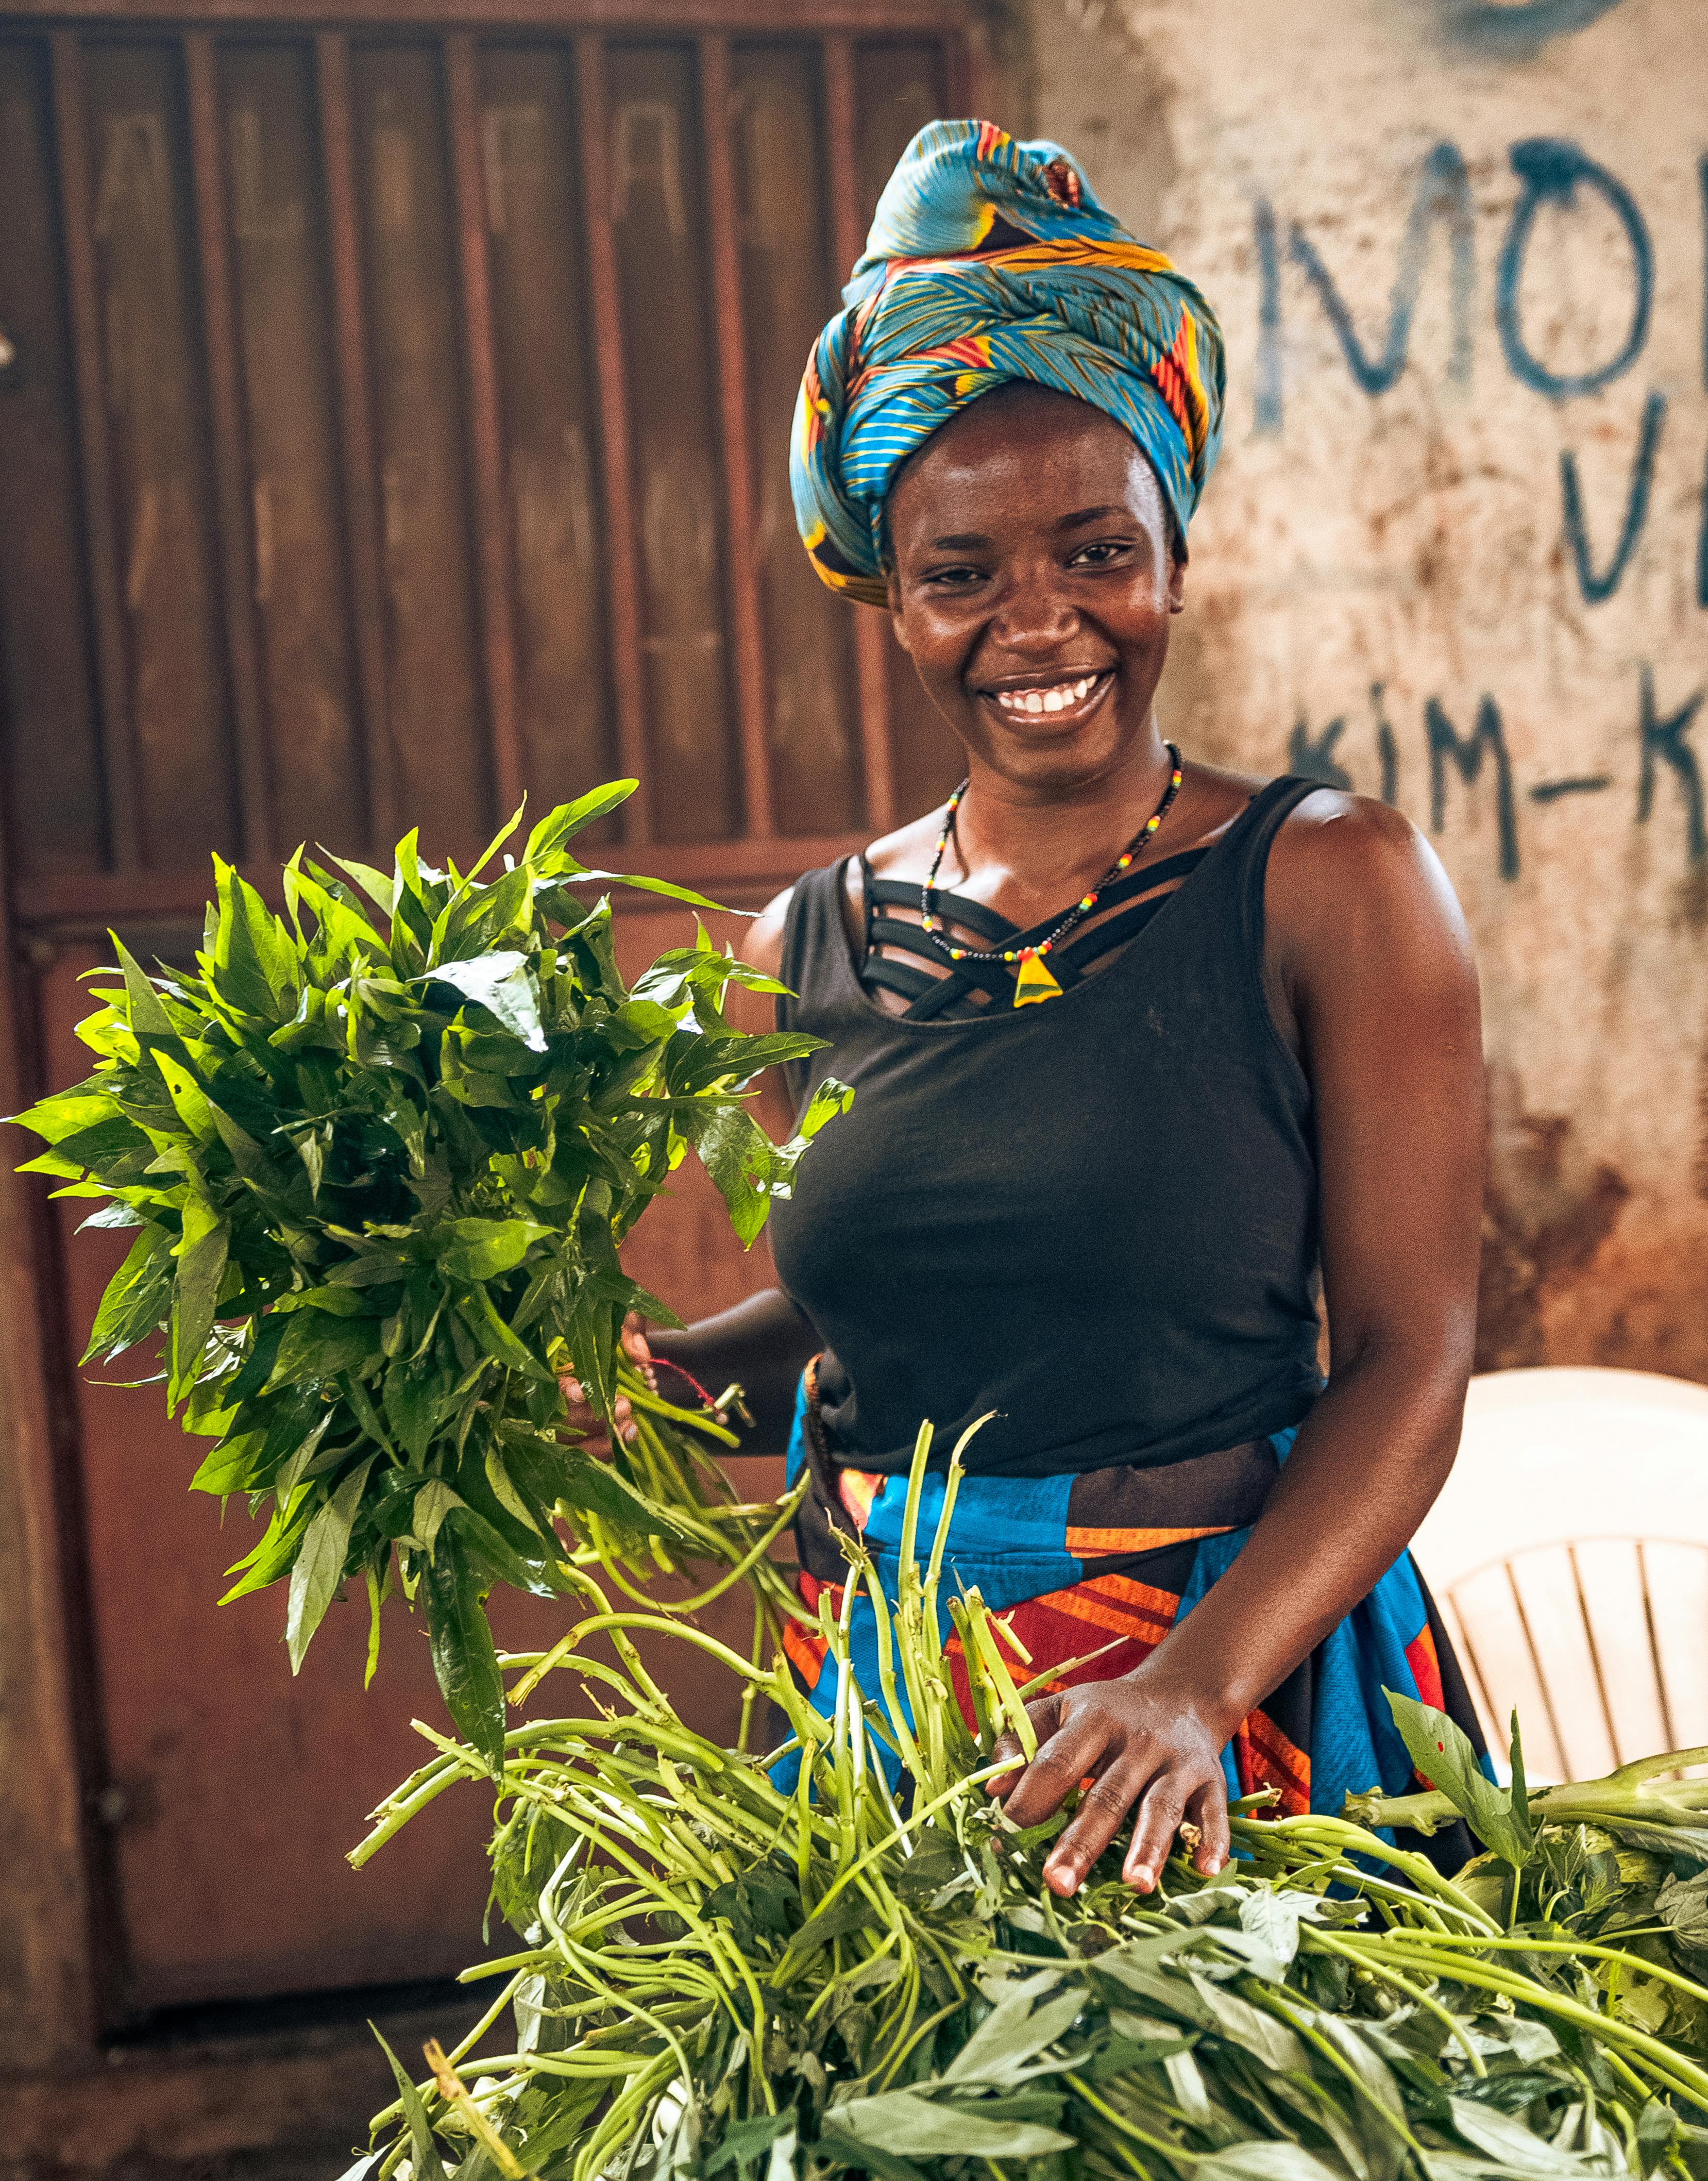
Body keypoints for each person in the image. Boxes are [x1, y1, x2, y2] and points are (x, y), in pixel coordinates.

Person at [567, 120, 1490, 1894]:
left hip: (1224, 1713)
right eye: (961, 572)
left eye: (1094, 551)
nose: (1039, 621)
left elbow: (1409, 1364)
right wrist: (673, 1385)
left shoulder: (1331, 883)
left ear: (1172, 553)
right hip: (890, 1720)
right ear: (890, 599)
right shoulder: (799, 950)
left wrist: (1192, 1690)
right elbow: (886, 1333)